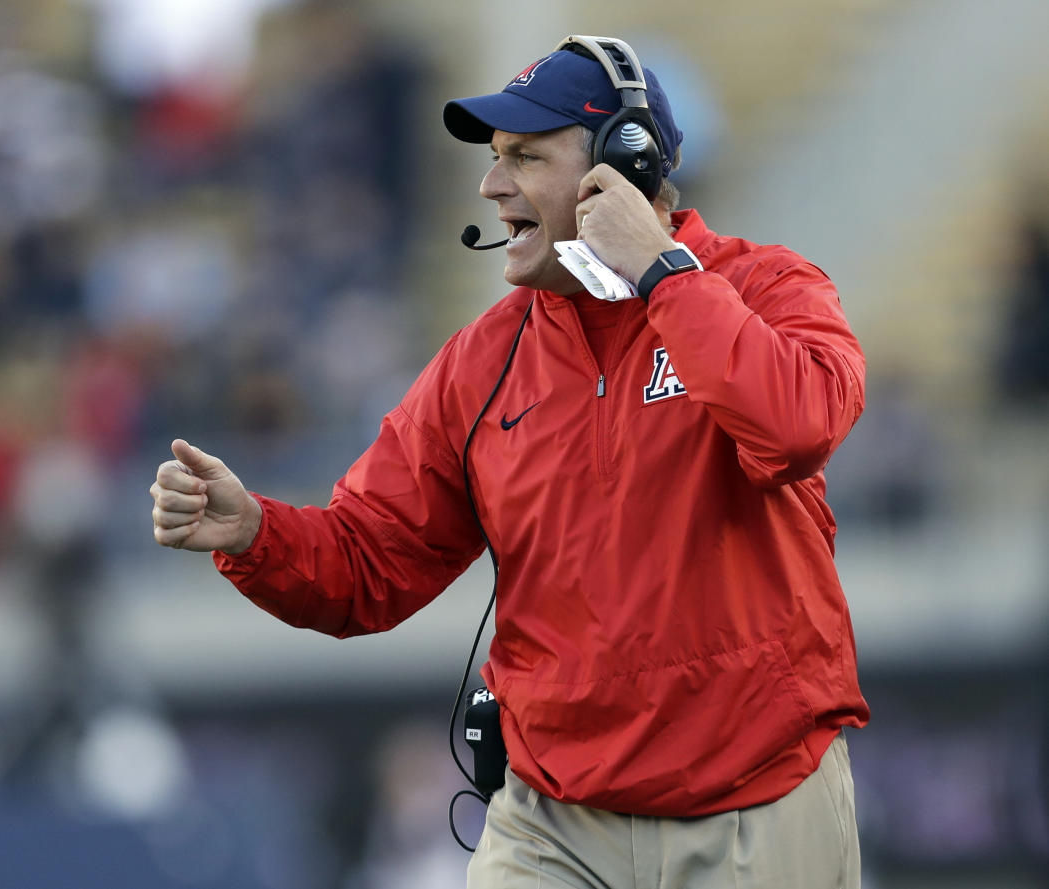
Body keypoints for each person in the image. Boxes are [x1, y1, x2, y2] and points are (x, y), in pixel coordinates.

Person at [149, 34, 867, 889]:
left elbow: (796, 425)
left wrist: (662, 274)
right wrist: (258, 533)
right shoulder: (480, 362)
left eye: (525, 157)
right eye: (494, 159)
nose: (492, 185)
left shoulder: (767, 288)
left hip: (756, 798)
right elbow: (371, 560)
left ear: (625, 167)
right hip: (551, 818)